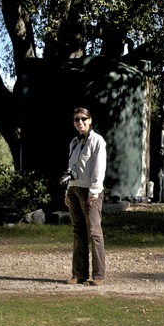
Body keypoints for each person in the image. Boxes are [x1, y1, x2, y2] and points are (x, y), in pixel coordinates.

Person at [64, 107, 107, 285]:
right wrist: (67, 190)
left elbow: (99, 166)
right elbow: (71, 168)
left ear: (89, 120)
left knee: (94, 231)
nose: (80, 122)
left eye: (83, 119)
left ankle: (98, 276)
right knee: (78, 231)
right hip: (74, 188)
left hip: (90, 191)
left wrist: (95, 191)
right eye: (76, 120)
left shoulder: (97, 141)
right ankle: (79, 274)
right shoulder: (74, 142)